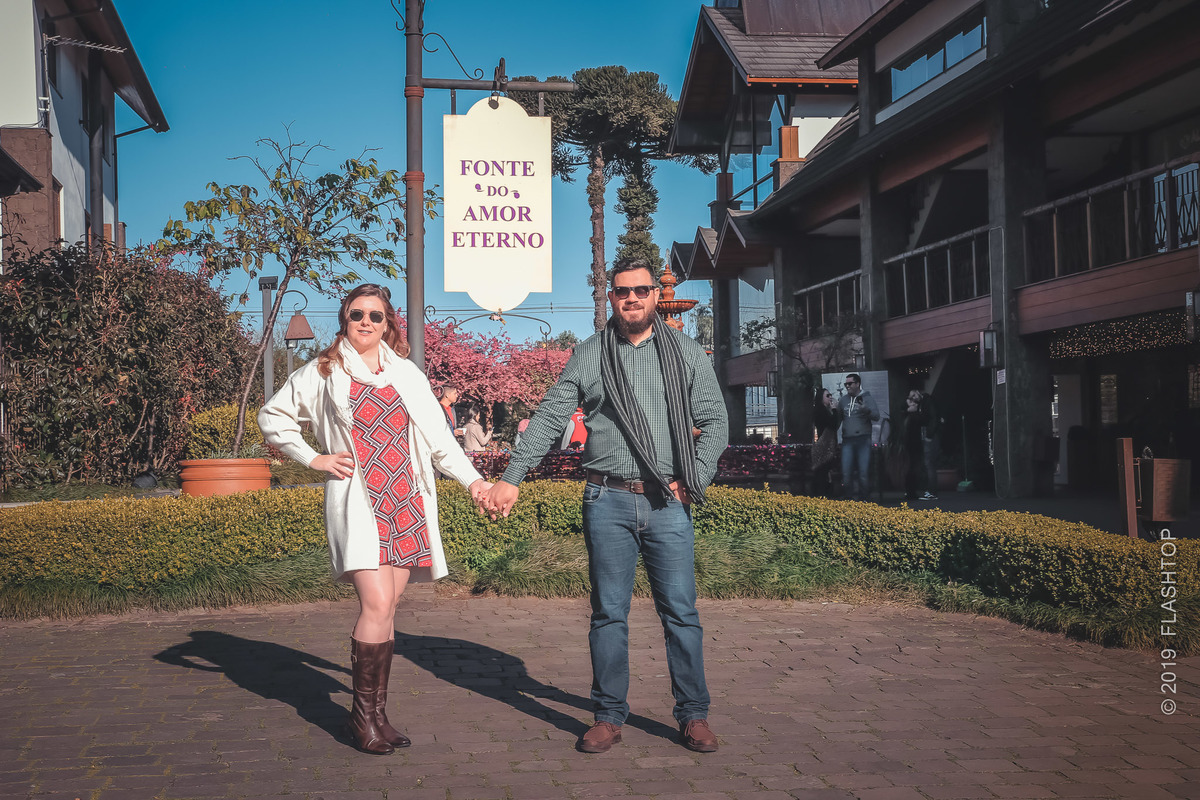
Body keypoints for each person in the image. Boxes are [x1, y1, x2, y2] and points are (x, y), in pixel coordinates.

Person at [484, 258, 729, 755]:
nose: (633, 298)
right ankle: (608, 715)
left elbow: (715, 422)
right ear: (611, 296)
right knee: (607, 614)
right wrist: (512, 477)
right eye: (623, 291)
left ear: (655, 297)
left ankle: (694, 714)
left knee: (681, 613)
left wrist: (693, 481)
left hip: (666, 502)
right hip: (605, 498)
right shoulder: (591, 353)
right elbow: (553, 415)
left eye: (642, 290)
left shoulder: (685, 352)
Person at [258, 284, 493, 756]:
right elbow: (273, 416)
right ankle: (360, 717)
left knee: (388, 609)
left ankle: (377, 716)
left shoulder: (406, 373)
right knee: (377, 604)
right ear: (345, 318)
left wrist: (474, 484)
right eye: (357, 314)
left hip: (405, 501)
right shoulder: (323, 371)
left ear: (389, 324)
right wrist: (314, 459)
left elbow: (441, 441)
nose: (366, 322)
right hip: (360, 501)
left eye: (376, 316)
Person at [837, 373, 879, 501]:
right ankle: (849, 498)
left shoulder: (867, 398)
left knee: (863, 472)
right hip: (847, 440)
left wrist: (866, 410)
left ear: (857, 384)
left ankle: (863, 499)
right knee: (846, 472)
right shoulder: (843, 400)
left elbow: (876, 416)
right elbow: (838, 420)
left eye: (850, 384)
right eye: (846, 384)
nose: (847, 386)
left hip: (863, 439)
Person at [811, 387, 841, 496]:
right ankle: (822, 494)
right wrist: (834, 410)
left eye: (830, 395)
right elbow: (832, 424)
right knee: (822, 471)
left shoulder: (822, 410)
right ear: (821, 398)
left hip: (825, 443)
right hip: (824, 444)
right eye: (827, 396)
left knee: (823, 471)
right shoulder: (820, 410)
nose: (830, 398)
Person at [914, 390, 941, 501]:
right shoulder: (924, 402)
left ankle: (932, 491)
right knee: (929, 463)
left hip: (929, 434)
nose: (913, 398)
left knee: (929, 463)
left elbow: (933, 418)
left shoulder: (927, 402)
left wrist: (929, 435)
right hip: (928, 433)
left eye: (914, 395)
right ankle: (931, 490)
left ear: (918, 392)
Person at [901, 390, 925, 501]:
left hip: (911, 443)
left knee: (912, 467)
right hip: (912, 443)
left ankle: (910, 491)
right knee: (912, 467)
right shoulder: (911, 414)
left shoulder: (911, 414)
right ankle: (911, 491)